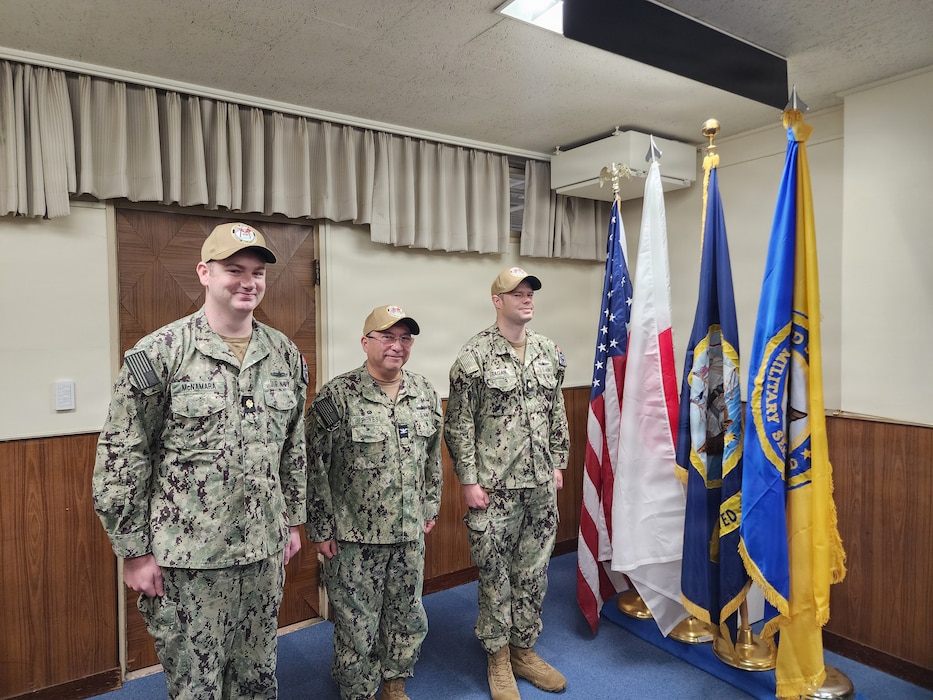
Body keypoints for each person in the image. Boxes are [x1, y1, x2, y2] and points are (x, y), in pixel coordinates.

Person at [92, 222, 308, 700]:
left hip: (263, 552)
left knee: (257, 678)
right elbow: (123, 455)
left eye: (257, 272)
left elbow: (293, 447)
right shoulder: (160, 353)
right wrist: (133, 551)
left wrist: (292, 521)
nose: (248, 282)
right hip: (190, 559)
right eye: (234, 270)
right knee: (197, 686)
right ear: (204, 273)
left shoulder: (284, 354)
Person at [305, 305, 443, 700]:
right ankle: (358, 690)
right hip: (354, 537)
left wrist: (430, 506)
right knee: (356, 624)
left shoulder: (424, 392)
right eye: (387, 337)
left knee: (407, 614)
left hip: (408, 532)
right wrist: (320, 528)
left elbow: (432, 457)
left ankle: (395, 683)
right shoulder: (338, 395)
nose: (397, 345)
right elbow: (314, 464)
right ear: (365, 342)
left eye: (405, 338)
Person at [444, 267, 570, 700]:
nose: (527, 298)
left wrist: (558, 462)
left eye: (530, 292)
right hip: (495, 488)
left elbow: (556, 410)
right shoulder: (474, 357)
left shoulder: (548, 351)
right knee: (495, 574)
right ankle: (497, 657)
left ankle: (523, 649)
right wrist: (468, 480)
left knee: (533, 572)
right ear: (497, 301)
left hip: (540, 484)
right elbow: (459, 424)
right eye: (517, 293)